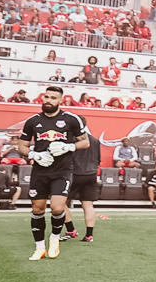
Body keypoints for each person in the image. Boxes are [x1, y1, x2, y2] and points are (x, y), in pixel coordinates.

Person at [10, 85, 88, 260]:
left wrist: (69, 146)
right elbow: (22, 145)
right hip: (40, 171)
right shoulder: (33, 121)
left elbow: (85, 142)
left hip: (62, 170)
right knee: (37, 209)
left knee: (57, 207)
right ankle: (39, 248)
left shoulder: (72, 119)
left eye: (53, 98)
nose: (48, 100)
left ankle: (54, 239)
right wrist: (32, 154)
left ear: (60, 100)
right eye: (46, 97)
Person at [67, 122, 103, 242]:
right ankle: (89, 235)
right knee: (88, 205)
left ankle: (71, 230)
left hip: (75, 174)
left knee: (59, 203)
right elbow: (98, 160)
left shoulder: (72, 139)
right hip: (91, 175)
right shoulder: (95, 140)